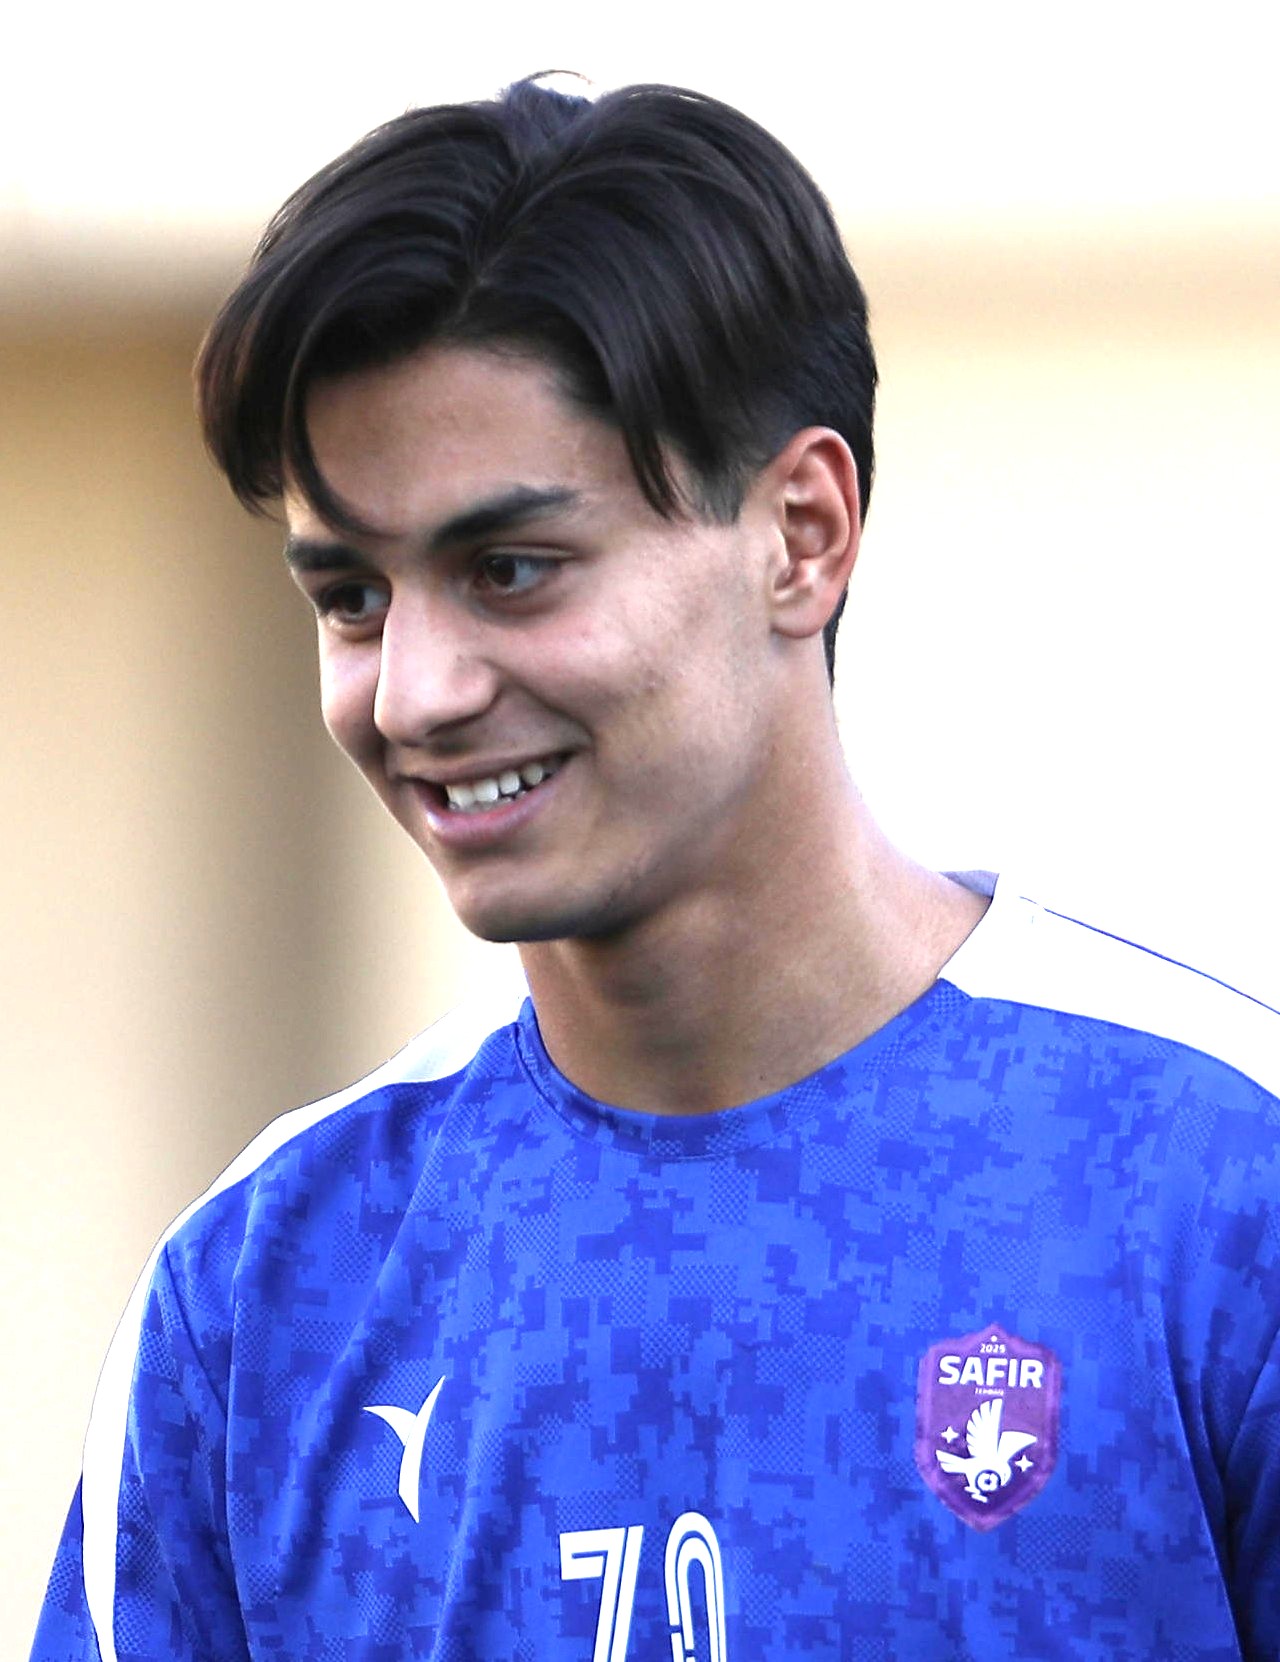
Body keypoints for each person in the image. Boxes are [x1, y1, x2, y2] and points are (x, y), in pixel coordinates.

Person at [31, 71, 1280, 1662]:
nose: (412, 693)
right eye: (351, 599)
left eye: (510, 568)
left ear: (802, 534)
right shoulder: (262, 1288)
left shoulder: (1217, 1181)